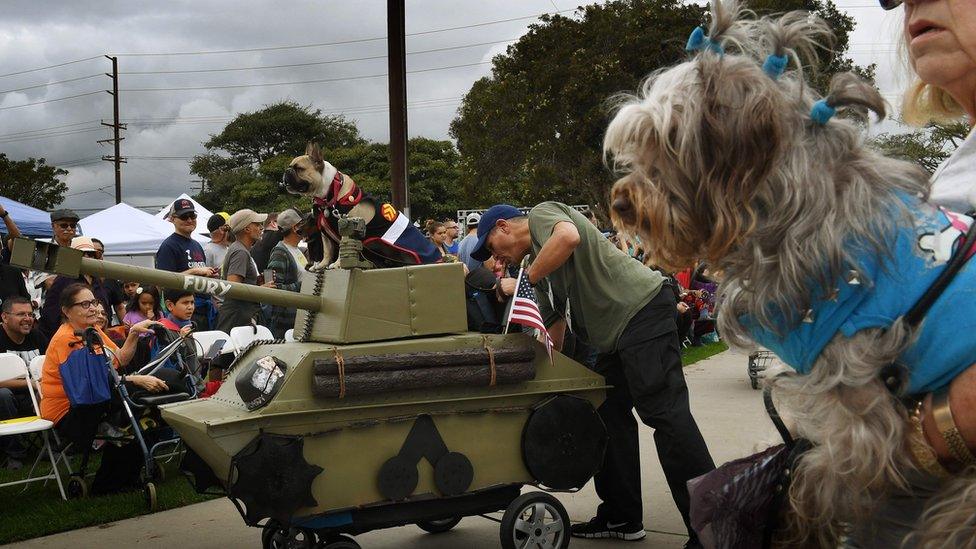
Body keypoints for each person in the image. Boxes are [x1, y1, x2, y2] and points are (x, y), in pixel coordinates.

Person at [470, 203, 715, 546]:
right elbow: (552, 337)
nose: (497, 260)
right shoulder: (537, 269)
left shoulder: (542, 215)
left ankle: (713, 528)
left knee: (667, 417)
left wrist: (526, 280)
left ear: (503, 227)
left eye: (492, 248)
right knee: (604, 411)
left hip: (642, 311)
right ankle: (622, 516)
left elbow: (568, 237)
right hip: (618, 336)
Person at [40, 283, 169, 494]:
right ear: (66, 310)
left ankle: (126, 477)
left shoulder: (94, 331)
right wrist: (134, 380)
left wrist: (134, 333)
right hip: (70, 411)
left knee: (145, 406)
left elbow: (120, 359)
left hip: (97, 400)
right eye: (84, 304)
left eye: (94, 302)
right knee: (131, 412)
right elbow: (90, 383)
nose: (92, 308)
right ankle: (109, 484)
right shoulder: (65, 339)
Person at [155, 198, 218, 330]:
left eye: (192, 215)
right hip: (181, 316)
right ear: (173, 219)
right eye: (184, 216)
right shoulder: (168, 246)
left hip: (203, 310)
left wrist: (209, 275)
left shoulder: (197, 245)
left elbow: (198, 277)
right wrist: (195, 271)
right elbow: (163, 283)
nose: (189, 220)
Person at [39, 237, 114, 339]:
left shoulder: (97, 280)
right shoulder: (63, 279)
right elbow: (51, 314)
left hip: (96, 336)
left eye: (90, 254)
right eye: (82, 254)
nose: (87, 257)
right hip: (70, 338)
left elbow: (106, 309)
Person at [217, 209, 275, 333]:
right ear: (247, 229)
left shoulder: (240, 249)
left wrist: (258, 282)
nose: (261, 228)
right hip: (237, 317)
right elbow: (233, 289)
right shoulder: (240, 252)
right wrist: (261, 289)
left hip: (239, 315)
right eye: (257, 224)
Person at [265, 209, 308, 338]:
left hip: (298, 318)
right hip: (285, 325)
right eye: (302, 224)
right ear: (295, 227)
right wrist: (304, 285)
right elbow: (273, 288)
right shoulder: (280, 252)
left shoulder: (297, 250)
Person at [90, 238, 126, 324]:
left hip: (106, 327)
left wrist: (128, 329)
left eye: (98, 253)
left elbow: (119, 307)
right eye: (92, 253)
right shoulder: (74, 278)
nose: (95, 256)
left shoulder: (108, 277)